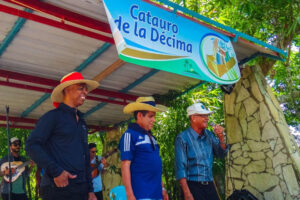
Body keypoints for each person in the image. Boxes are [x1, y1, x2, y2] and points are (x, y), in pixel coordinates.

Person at [25, 72, 99, 200]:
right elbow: (31, 145)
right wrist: (56, 171)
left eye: (86, 89)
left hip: (81, 189)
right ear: (67, 89)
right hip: (57, 188)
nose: (85, 92)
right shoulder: (52, 117)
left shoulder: (82, 122)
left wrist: (90, 190)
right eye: (81, 88)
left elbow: (85, 157)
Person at [175, 103, 229, 200]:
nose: (207, 118)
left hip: (209, 184)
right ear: (193, 118)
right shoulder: (182, 138)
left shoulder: (208, 135)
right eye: (203, 115)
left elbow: (221, 154)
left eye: (207, 115)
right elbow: (180, 168)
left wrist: (221, 137)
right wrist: (187, 193)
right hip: (192, 186)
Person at [119, 96, 169, 200]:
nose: (154, 120)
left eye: (154, 116)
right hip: (141, 195)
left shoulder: (152, 137)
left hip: (157, 194)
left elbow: (156, 166)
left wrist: (163, 189)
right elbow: (125, 165)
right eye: (150, 116)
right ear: (140, 115)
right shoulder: (129, 135)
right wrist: (129, 195)